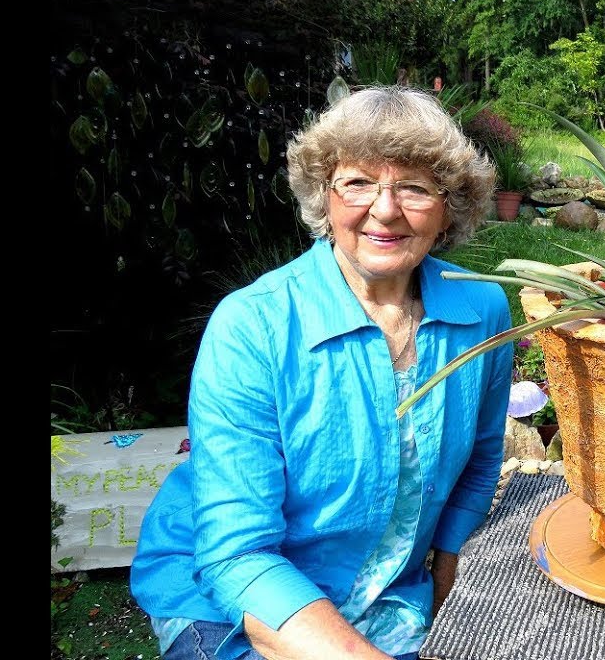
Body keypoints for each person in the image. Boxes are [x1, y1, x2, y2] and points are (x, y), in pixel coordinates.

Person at [131, 85, 513, 660]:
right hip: (233, 600)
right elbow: (238, 554)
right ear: (323, 196)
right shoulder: (252, 326)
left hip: (391, 593)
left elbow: (481, 462)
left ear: (448, 208)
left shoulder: (480, 310)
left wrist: (449, 593)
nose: (385, 209)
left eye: (414, 187)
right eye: (357, 182)